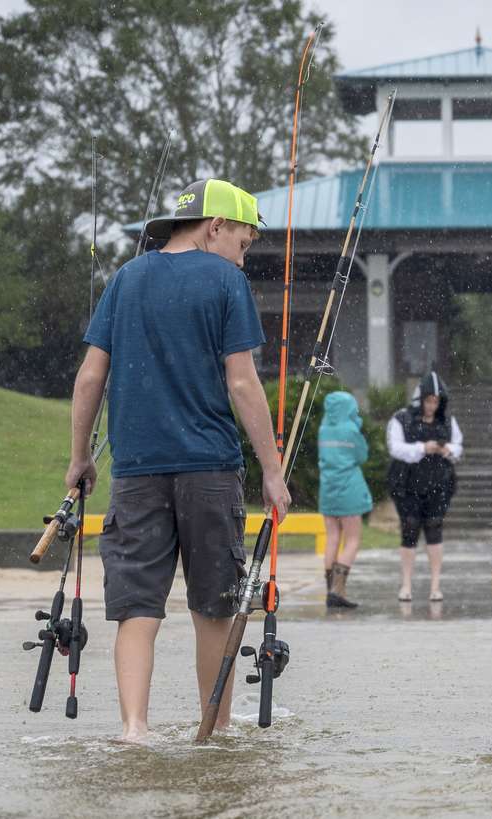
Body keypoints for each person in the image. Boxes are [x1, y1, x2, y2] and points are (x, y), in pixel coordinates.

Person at [65, 178, 291, 742]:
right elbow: (242, 383)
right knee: (214, 605)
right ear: (215, 226)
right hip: (209, 469)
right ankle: (211, 730)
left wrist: (78, 459)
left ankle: (133, 728)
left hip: (136, 471)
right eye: (244, 238)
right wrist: (272, 467)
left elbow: (92, 374)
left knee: (136, 606)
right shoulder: (225, 281)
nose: (246, 250)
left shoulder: (126, 277)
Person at [386, 371, 463, 601]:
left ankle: (435, 586)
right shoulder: (401, 418)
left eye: (436, 401)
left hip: (439, 484)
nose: (432, 406)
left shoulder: (448, 421)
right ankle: (406, 585)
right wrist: (422, 448)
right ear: (421, 399)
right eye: (429, 400)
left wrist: (446, 449)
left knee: (434, 529)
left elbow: (458, 446)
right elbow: (395, 448)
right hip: (407, 484)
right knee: (409, 529)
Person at [317, 390, 373, 609]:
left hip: (328, 488)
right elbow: (362, 456)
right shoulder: (350, 429)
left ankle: (330, 588)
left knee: (332, 537)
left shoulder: (323, 429)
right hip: (348, 488)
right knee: (352, 540)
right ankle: (338, 591)